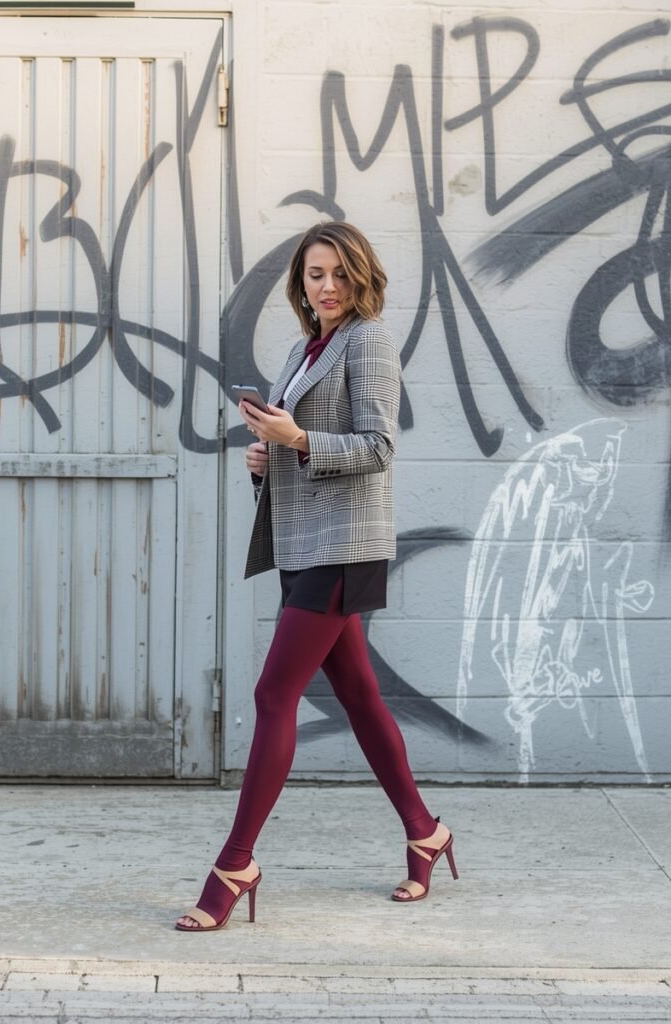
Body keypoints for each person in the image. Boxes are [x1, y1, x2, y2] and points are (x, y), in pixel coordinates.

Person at [175, 221, 457, 932]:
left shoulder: (369, 340)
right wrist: (268, 459)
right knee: (360, 696)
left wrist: (298, 439)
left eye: (336, 273)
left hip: (345, 545)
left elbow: (379, 446)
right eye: (312, 275)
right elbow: (302, 446)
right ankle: (425, 832)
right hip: (304, 542)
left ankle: (235, 863)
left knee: (275, 693)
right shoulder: (306, 350)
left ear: (360, 276)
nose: (324, 286)